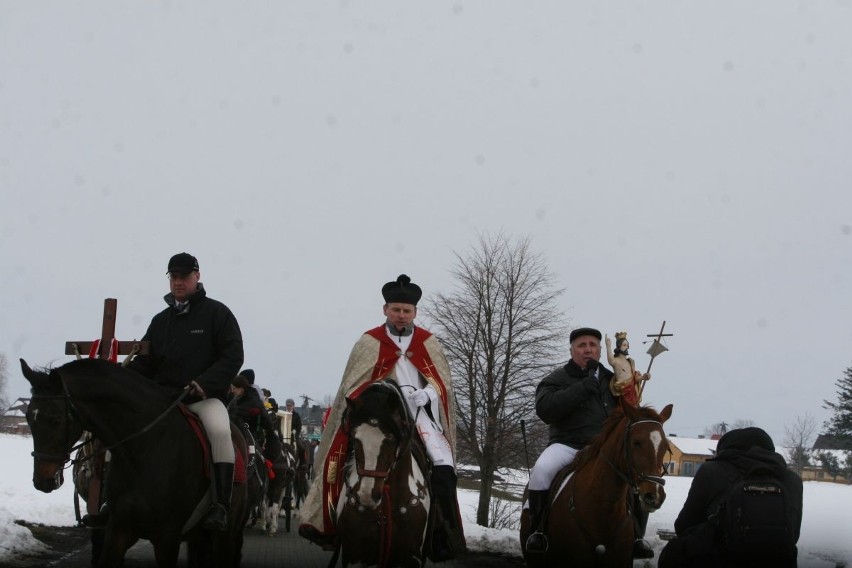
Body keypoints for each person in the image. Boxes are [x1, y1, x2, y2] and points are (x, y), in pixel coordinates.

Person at [299, 274, 466, 561]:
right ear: (385, 310)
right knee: (337, 456)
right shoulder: (369, 342)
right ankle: (328, 523)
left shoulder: (429, 342)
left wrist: (429, 394)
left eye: (407, 311)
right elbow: (351, 385)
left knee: (443, 463)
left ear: (415, 312)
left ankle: (443, 531)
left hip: (417, 414)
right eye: (396, 310)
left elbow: (443, 383)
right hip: (375, 413)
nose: (401, 316)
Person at [126, 252, 244, 531]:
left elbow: (233, 356)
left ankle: (221, 505)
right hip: (162, 399)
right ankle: (113, 497)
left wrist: (204, 383)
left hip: (203, 399)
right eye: (174, 277)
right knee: (125, 427)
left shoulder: (219, 314)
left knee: (220, 430)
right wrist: (122, 379)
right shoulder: (159, 321)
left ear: (197, 276)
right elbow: (144, 361)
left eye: (184, 277)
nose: (178, 282)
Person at [525, 327, 655, 559]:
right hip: (566, 446)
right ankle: (538, 532)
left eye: (592, 345)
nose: (588, 349)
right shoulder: (556, 379)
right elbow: (545, 410)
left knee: (635, 478)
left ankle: (636, 537)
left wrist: (633, 390)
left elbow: (629, 412)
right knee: (541, 471)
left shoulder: (613, 378)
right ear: (572, 350)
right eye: (582, 345)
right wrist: (584, 387)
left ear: (599, 350)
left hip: (604, 451)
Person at [658, 427, 803, 568]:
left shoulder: (711, 471)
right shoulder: (792, 480)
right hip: (779, 561)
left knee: (673, 553)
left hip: (720, 559)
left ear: (725, 448)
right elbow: (794, 534)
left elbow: (684, 524)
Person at [605, 331, 649, 407]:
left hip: (632, 392)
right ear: (619, 347)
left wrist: (643, 377)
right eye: (624, 345)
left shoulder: (630, 362)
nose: (627, 347)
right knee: (625, 411)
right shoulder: (616, 361)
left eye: (627, 345)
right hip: (623, 391)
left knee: (635, 410)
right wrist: (608, 346)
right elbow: (610, 360)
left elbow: (634, 378)